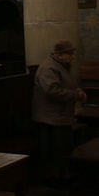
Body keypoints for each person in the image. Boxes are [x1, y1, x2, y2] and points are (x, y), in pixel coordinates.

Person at [32, 40, 87, 187]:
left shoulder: (61, 66)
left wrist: (76, 92)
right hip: (50, 118)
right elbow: (52, 91)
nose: (73, 56)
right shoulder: (49, 68)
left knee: (62, 148)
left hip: (59, 116)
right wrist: (75, 95)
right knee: (54, 150)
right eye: (70, 53)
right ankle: (53, 179)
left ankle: (63, 175)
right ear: (60, 54)